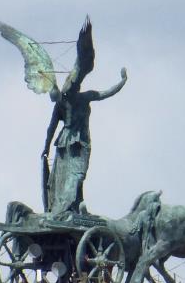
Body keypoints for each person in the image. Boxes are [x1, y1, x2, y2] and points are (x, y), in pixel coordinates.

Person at [42, 66, 127, 217]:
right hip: (69, 142)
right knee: (70, 176)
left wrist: (123, 81)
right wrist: (46, 147)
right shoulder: (60, 105)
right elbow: (51, 127)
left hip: (77, 141)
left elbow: (106, 93)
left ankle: (73, 205)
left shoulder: (84, 97)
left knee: (76, 175)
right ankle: (67, 208)